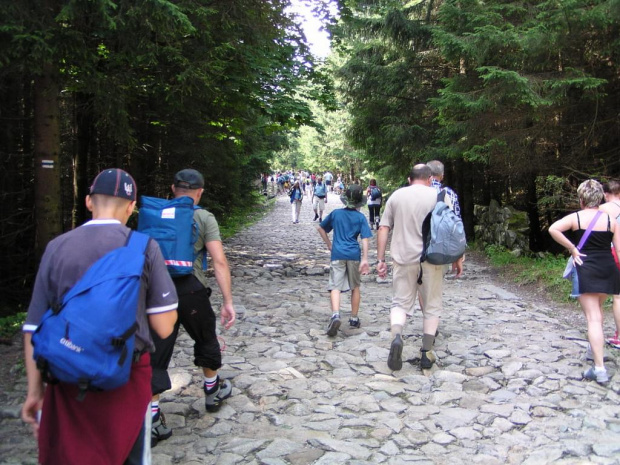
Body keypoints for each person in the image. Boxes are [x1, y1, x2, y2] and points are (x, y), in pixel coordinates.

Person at [21, 168, 178, 465]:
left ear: (89, 202)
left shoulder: (57, 247)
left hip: (65, 374)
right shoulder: (144, 247)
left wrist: (34, 391)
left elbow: (33, 327)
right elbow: (164, 326)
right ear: (131, 208)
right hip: (125, 377)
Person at [150, 169, 236, 445]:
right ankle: (212, 390)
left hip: (157, 291)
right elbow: (219, 261)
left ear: (173, 188)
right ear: (200, 192)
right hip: (191, 289)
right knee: (206, 338)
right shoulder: (203, 216)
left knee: (156, 350)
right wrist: (228, 301)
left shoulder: (155, 214)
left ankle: (152, 419)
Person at [377, 164, 463, 371]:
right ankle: (426, 352)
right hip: (431, 259)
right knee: (432, 304)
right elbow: (452, 228)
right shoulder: (439, 195)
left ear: (409, 179)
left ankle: (397, 336)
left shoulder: (396, 196)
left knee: (399, 303)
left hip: (403, 258)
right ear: (429, 178)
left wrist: (380, 259)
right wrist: (457, 257)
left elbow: (383, 227)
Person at [549, 179, 620, 385]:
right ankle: (594, 349)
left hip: (586, 268)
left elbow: (554, 229)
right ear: (600, 197)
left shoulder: (576, 218)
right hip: (608, 269)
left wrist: (572, 248)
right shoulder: (610, 221)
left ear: (581, 199)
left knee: (593, 318)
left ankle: (599, 369)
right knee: (598, 313)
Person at [317, 184, 372, 336]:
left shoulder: (336, 214)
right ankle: (354, 318)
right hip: (354, 255)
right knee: (355, 286)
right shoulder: (360, 217)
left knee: (335, 286)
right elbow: (365, 238)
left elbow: (321, 228)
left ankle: (335, 314)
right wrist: (365, 258)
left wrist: (329, 244)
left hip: (337, 254)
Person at [600, 180, 620, 348]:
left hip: (614, 251)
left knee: (617, 296)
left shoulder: (604, 209)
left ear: (606, 194)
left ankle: (619, 336)